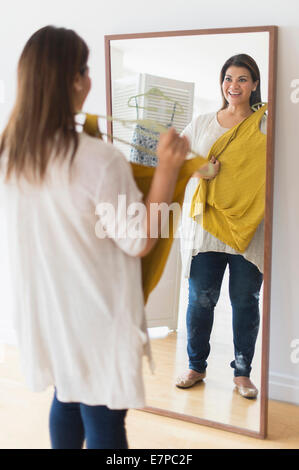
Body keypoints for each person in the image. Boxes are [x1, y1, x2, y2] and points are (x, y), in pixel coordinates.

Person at [0, 25, 194, 449]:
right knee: (104, 420)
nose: (89, 79)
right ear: (74, 79)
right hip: (95, 318)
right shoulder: (97, 159)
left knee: (67, 398)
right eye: (85, 69)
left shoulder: (11, 154)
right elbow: (139, 240)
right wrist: (167, 170)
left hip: (51, 312)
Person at [176, 54, 267, 399]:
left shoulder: (266, 124)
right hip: (207, 227)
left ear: (255, 84)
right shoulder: (201, 123)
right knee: (201, 300)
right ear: (222, 83)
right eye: (229, 78)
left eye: (243, 79)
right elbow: (178, 158)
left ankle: (242, 375)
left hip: (248, 228)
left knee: (245, 302)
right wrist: (201, 170)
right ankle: (196, 366)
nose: (234, 86)